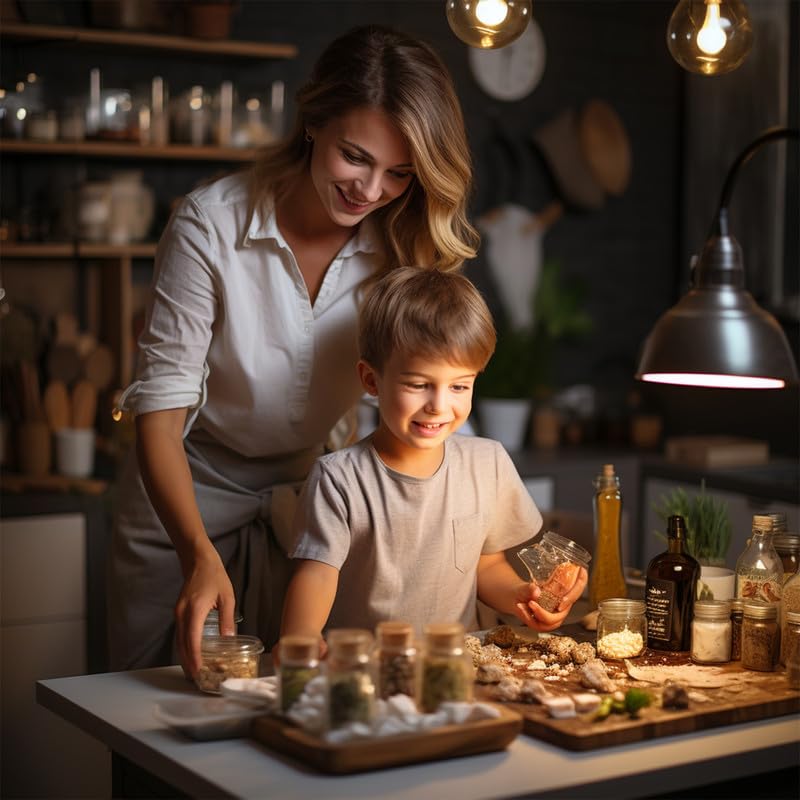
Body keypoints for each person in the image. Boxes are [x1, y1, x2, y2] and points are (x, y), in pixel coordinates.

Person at [108, 25, 478, 679]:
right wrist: (197, 551)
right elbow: (159, 414)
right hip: (182, 499)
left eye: (399, 173)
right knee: (149, 704)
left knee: (286, 700)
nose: (370, 190)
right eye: (355, 156)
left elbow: (418, 398)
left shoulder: (402, 244)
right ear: (313, 122)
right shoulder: (209, 226)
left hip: (310, 503)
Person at [279, 267, 588, 647]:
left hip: (451, 666)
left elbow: (487, 566)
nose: (439, 406)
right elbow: (317, 576)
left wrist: (523, 597)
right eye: (419, 384)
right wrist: (302, 639)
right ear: (372, 380)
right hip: (365, 671)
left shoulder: (487, 463)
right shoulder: (339, 478)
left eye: (459, 386)